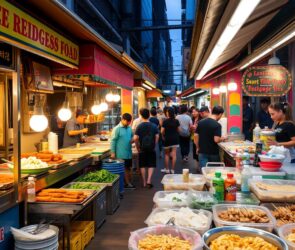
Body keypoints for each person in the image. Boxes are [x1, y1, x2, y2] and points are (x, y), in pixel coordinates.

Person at [134, 108, 159, 188]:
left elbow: (135, 138)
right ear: (149, 115)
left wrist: (138, 147)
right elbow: (157, 136)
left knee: (142, 165)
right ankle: (149, 180)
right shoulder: (154, 126)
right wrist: (154, 145)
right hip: (151, 148)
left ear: (141, 115)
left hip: (142, 148)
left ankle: (144, 182)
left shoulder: (139, 126)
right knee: (151, 164)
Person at [110, 113, 135, 189]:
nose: (128, 123)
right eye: (127, 122)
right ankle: (127, 184)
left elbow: (132, 137)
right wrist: (113, 152)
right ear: (123, 120)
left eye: (129, 122)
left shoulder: (129, 128)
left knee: (129, 168)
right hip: (120, 153)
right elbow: (113, 141)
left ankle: (128, 183)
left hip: (128, 152)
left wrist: (133, 140)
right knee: (124, 169)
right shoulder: (117, 129)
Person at [161, 107, 180, 174]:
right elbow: (179, 130)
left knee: (166, 154)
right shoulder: (176, 121)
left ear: (168, 113)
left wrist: (163, 136)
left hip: (167, 139)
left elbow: (162, 131)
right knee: (174, 154)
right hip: (175, 139)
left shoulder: (165, 121)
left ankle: (167, 169)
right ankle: (172, 170)